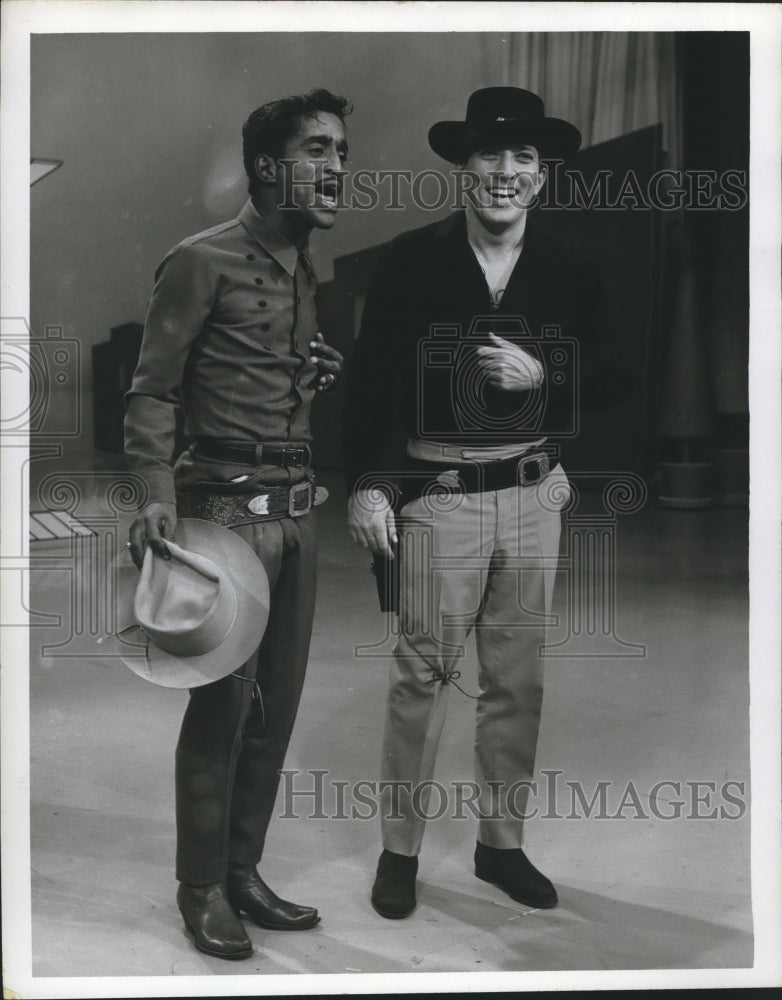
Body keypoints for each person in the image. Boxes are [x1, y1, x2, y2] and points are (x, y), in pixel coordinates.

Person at [344, 87, 624, 919]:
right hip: (441, 499)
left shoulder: (571, 265)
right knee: (422, 677)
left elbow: (617, 379)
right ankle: (400, 851)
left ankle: (501, 847)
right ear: (464, 169)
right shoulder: (410, 259)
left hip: (536, 495)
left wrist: (549, 375)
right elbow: (369, 386)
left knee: (517, 682)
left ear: (542, 176)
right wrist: (365, 481)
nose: (507, 173)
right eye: (492, 156)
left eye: (525, 159)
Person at [124, 89, 349, 959]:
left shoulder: (304, 268)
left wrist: (315, 369)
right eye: (319, 150)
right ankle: (200, 887)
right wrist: (153, 493)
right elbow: (152, 388)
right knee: (222, 711)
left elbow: (257, 373)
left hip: (297, 519)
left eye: (342, 152)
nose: (338, 169)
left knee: (276, 711)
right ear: (266, 166)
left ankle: (245, 870)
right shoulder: (199, 261)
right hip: (225, 520)